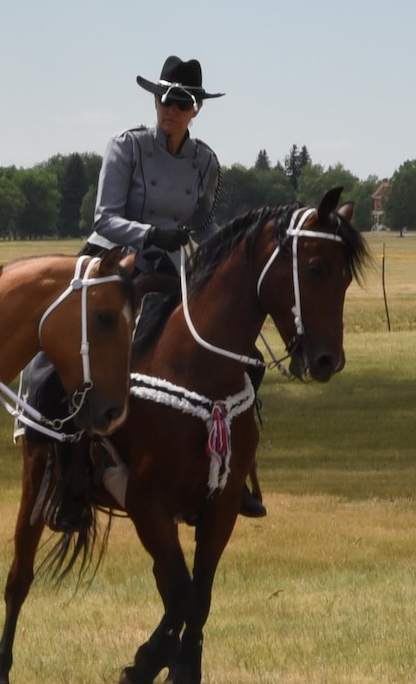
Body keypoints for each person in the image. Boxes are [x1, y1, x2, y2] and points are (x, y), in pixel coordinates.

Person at [30, 56, 265, 524]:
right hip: (115, 266)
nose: (169, 109)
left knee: (245, 361)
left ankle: (233, 474)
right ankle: (66, 479)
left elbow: (201, 222)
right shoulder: (127, 147)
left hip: (176, 273)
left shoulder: (206, 162)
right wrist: (151, 236)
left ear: (196, 108)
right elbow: (104, 217)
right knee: (55, 370)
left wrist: (235, 245)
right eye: (163, 99)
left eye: (180, 103)